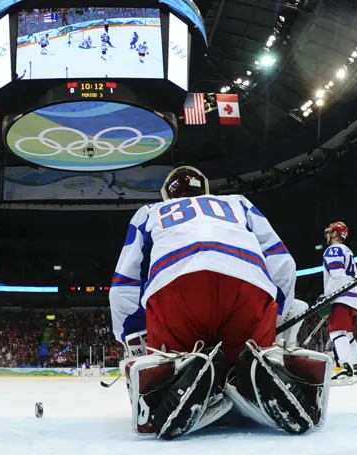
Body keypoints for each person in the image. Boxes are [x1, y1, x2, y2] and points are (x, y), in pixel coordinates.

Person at [109, 166, 332, 440]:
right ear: (205, 190)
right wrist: (275, 318)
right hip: (247, 289)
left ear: (167, 194)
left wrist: (131, 339)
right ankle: (257, 368)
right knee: (249, 350)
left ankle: (180, 373)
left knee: (176, 356)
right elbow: (282, 262)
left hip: (178, 290)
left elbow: (123, 285)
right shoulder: (238, 203)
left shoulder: (149, 213)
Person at [322, 221, 357, 385]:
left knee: (337, 333)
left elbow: (336, 273)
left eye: (330, 231)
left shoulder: (333, 249)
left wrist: (329, 297)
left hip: (340, 296)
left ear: (335, 234)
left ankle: (346, 370)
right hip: (352, 297)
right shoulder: (347, 250)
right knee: (348, 335)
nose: (327, 234)